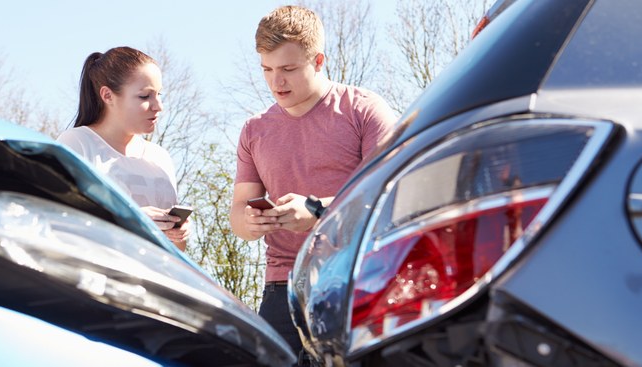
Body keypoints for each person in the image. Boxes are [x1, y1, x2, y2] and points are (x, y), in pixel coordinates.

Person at [229, 5, 396, 359]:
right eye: (267, 70)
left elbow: (388, 198)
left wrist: (319, 212)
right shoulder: (253, 130)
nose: (277, 82)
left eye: (288, 69)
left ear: (318, 61)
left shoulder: (363, 110)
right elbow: (238, 217)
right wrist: (251, 221)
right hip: (280, 290)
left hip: (356, 280)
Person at [57, 46, 190, 251]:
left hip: (155, 279)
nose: (158, 106)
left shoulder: (160, 157)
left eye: (159, 94)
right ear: (107, 95)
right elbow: (61, 225)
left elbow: (177, 251)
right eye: (145, 96)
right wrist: (131, 220)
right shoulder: (77, 144)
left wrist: (178, 234)